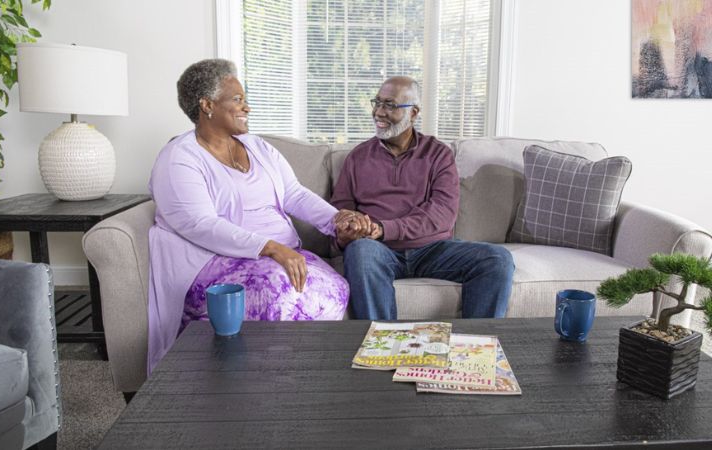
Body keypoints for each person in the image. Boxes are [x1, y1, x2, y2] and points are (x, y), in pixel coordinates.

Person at [147, 59, 351, 372]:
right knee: (277, 291)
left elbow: (293, 193)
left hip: (279, 256)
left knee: (335, 285)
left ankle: (305, 380)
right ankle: (264, 385)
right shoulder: (179, 158)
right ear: (207, 105)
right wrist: (269, 247)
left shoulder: (257, 146)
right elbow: (200, 225)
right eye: (238, 99)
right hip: (214, 263)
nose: (247, 108)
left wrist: (336, 220)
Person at [331, 76, 515, 320]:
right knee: (361, 252)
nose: (379, 112)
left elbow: (441, 215)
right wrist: (345, 232)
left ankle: (474, 346)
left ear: (413, 112)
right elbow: (340, 211)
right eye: (377, 102)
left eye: (390, 105)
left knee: (497, 258)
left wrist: (384, 228)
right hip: (377, 250)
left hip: (433, 249)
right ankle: (380, 349)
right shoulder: (358, 157)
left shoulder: (438, 154)